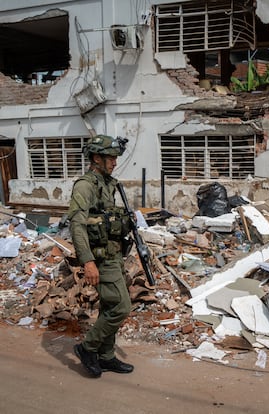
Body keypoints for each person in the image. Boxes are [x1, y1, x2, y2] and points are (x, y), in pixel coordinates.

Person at [68, 134, 134, 378]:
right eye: (110, 158)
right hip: (100, 259)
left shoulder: (108, 183)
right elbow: (77, 226)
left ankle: (106, 357)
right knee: (121, 306)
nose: (114, 163)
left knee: (109, 306)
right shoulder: (85, 186)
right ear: (96, 158)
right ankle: (87, 348)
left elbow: (108, 219)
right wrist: (87, 262)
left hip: (113, 255)